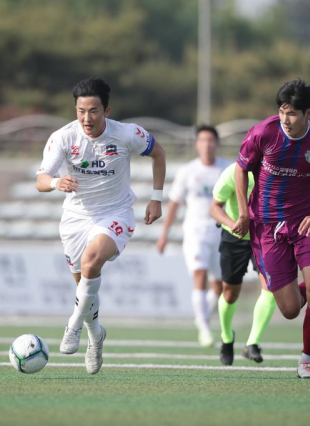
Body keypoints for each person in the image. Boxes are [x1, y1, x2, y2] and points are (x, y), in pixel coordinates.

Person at [35, 77, 166, 374]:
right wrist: (56, 182)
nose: (86, 118)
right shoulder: (64, 137)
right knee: (84, 287)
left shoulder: (127, 134)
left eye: (93, 111)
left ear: (107, 110)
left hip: (115, 213)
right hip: (75, 219)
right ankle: (96, 337)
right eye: (81, 111)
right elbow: (40, 180)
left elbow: (159, 153)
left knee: (91, 262)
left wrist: (156, 198)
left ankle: (72, 324)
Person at [232, 78, 310, 379]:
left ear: (308, 113)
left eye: (293, 113)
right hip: (267, 226)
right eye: (282, 111)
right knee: (288, 309)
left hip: (308, 222)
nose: (286, 118)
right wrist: (244, 213)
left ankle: (306, 359)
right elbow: (240, 169)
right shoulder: (263, 132)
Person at [156, 125, 231, 347]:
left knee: (219, 287)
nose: (207, 145)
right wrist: (164, 235)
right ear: (197, 144)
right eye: (202, 140)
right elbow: (174, 204)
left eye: (210, 140)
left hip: (222, 232)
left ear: (216, 144)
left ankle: (203, 320)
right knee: (199, 276)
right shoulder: (188, 171)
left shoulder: (228, 169)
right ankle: (204, 329)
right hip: (195, 232)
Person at [210, 162, 279, 365]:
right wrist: (233, 224)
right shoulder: (232, 172)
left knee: (270, 287)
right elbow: (214, 207)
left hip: (265, 237)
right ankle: (226, 337)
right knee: (230, 294)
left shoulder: (274, 171)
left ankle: (253, 342)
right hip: (234, 237)